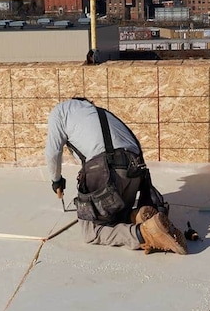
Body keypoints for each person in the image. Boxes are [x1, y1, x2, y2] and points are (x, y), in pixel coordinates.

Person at [45, 98, 187, 254]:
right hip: (134, 170)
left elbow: (53, 153)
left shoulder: (59, 111)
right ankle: (136, 216)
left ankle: (145, 234)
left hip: (105, 170)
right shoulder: (102, 114)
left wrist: (56, 180)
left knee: (92, 231)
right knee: (114, 215)